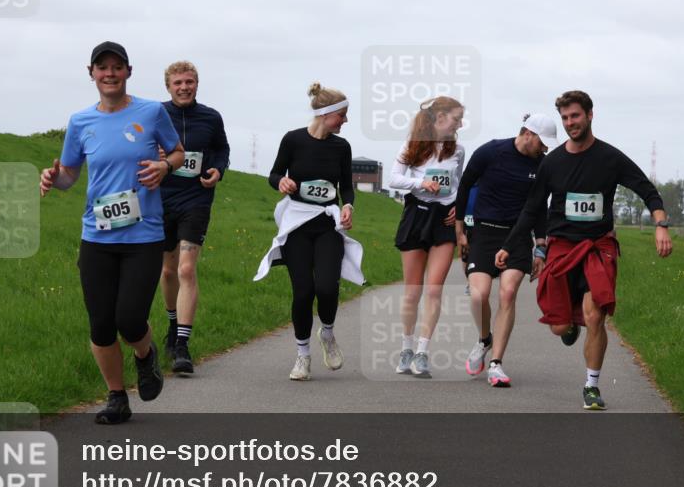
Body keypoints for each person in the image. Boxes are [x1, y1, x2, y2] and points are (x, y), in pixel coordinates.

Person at [497, 90, 672, 410]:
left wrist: (661, 225)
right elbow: (532, 208)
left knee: (596, 316)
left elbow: (646, 190)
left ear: (590, 116)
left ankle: (592, 385)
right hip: (562, 248)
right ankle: (568, 323)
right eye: (564, 118)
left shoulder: (610, 158)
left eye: (574, 116)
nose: (569, 123)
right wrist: (509, 246)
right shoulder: (553, 162)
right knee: (560, 326)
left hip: (598, 247)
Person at [40, 41, 184, 424]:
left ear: (128, 72)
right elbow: (70, 174)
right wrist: (54, 178)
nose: (109, 74)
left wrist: (165, 167)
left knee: (129, 318)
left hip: (143, 236)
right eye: (102, 68)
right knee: (101, 323)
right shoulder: (80, 122)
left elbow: (178, 152)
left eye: (116, 67)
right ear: (91, 73)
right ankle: (117, 397)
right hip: (97, 236)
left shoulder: (151, 112)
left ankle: (145, 355)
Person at [254, 83, 363, 381]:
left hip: (327, 226)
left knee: (327, 287)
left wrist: (348, 207)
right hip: (297, 226)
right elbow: (275, 174)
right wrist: (281, 183)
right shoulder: (293, 140)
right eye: (342, 115)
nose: (345, 121)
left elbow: (347, 187)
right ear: (326, 115)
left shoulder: (342, 147)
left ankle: (327, 333)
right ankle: (302, 356)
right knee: (303, 292)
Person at [454, 113, 558, 387]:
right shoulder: (491, 151)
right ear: (527, 133)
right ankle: (484, 339)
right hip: (484, 232)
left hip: (517, 235)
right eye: (542, 142)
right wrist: (460, 229)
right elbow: (465, 185)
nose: (545, 148)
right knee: (479, 295)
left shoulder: (542, 165)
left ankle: (496, 364)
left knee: (508, 293)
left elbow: (538, 208)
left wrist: (540, 247)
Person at [158, 61, 230, 376]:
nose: (184, 87)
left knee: (187, 268)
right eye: (178, 83)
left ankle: (183, 346)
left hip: (196, 200)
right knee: (167, 270)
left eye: (189, 82)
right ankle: (172, 324)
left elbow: (221, 150)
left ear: (197, 84)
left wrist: (218, 170)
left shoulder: (211, 117)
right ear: (168, 87)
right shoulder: (155, 115)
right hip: (160, 200)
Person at [388, 97, 466, 378]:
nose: (460, 124)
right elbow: (394, 179)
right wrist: (421, 183)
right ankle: (406, 347)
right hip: (416, 216)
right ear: (440, 117)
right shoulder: (412, 145)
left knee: (434, 290)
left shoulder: (458, 150)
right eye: (457, 118)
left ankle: (422, 352)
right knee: (413, 292)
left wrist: (459, 205)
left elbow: (458, 183)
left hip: (443, 221)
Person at [460, 184, 479, 294]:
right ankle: (469, 282)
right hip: (466, 222)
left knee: (479, 252)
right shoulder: (465, 184)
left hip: (480, 221)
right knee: (465, 255)